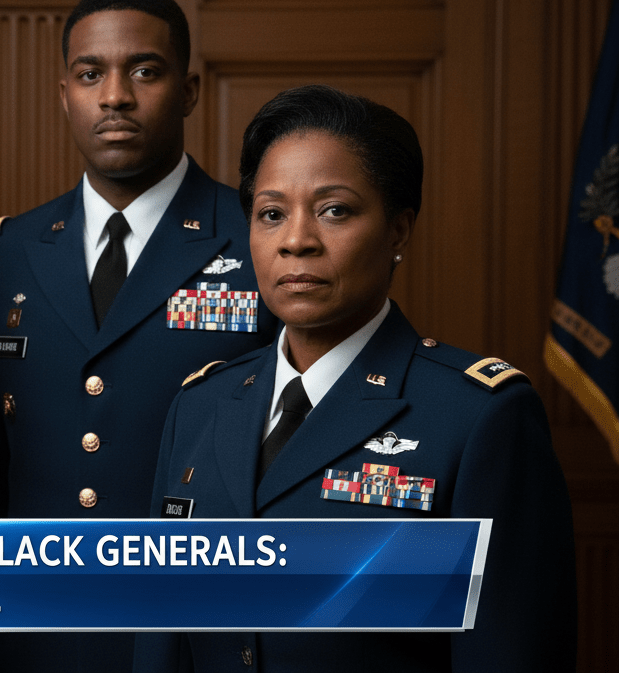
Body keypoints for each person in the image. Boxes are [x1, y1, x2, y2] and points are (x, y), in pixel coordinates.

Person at [133, 85, 576, 671]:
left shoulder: (477, 419)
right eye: (271, 214)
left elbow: (506, 653)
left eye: (334, 210)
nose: (296, 241)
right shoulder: (200, 405)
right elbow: (163, 640)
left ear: (398, 231)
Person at [0, 0, 278, 672]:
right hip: (38, 646)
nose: (115, 96)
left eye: (144, 71)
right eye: (91, 75)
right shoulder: (5, 255)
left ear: (188, 90)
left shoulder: (258, 240)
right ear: (65, 94)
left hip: (195, 639)